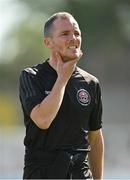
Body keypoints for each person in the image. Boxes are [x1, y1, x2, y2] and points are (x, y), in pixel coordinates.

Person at [19, 11, 104, 179]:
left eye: (77, 33)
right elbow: (43, 120)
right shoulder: (31, 76)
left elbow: (95, 138)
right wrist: (63, 78)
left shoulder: (90, 82)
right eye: (65, 34)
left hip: (80, 173)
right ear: (48, 42)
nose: (74, 38)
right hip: (42, 173)